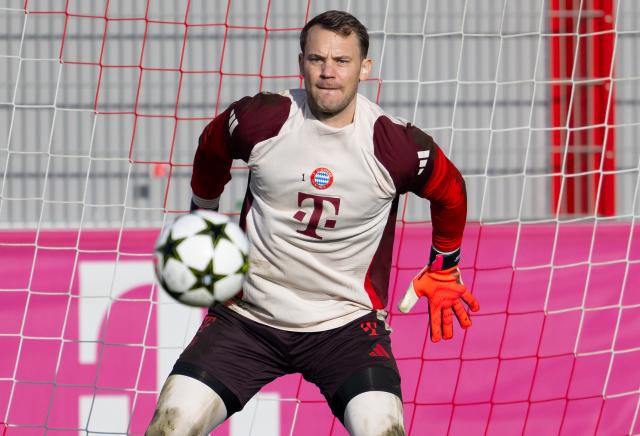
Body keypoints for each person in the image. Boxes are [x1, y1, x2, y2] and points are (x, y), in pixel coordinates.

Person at [146, 10, 479, 436]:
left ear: (365, 67)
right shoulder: (262, 119)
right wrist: (202, 216)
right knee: (168, 428)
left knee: (384, 431)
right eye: (317, 59)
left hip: (346, 329)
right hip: (246, 321)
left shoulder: (394, 145)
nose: (328, 72)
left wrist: (445, 264)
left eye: (342, 61)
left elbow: (451, 192)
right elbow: (212, 148)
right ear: (301, 61)